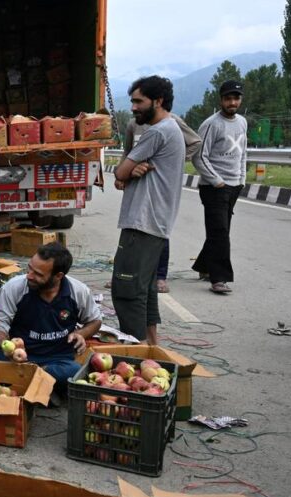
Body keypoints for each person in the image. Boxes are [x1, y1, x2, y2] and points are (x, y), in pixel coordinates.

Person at [0, 243, 103, 387]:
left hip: (56, 360)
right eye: (29, 269)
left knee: (73, 372)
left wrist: (81, 333)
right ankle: (39, 382)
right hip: (15, 359)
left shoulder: (78, 292)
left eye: (38, 274)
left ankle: (17, 379)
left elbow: (95, 321)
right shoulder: (13, 288)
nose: (29, 276)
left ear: (58, 276)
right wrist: (6, 345)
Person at [112, 76, 186, 345]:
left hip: (142, 221)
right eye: (132, 101)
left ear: (158, 101)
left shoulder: (157, 132)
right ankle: (152, 346)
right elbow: (125, 174)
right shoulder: (172, 127)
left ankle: (138, 352)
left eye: (138, 101)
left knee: (127, 289)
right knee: (144, 289)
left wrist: (129, 171)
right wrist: (133, 170)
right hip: (156, 222)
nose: (133, 107)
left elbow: (120, 172)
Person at [118, 111, 202, 293]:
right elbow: (128, 152)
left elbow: (195, 142)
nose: (135, 107)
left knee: (158, 231)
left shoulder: (171, 123)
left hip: (159, 186)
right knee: (134, 230)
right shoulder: (133, 124)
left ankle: (160, 276)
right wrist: (122, 173)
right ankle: (129, 275)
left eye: (139, 102)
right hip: (137, 182)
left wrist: (172, 160)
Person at [192, 80, 247, 294]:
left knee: (220, 231)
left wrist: (242, 178)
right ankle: (219, 278)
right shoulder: (211, 124)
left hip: (234, 185)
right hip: (214, 187)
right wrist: (216, 180)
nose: (232, 102)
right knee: (220, 232)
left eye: (236, 98)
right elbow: (199, 156)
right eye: (228, 98)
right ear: (221, 100)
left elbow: (242, 152)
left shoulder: (242, 122)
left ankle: (204, 266)